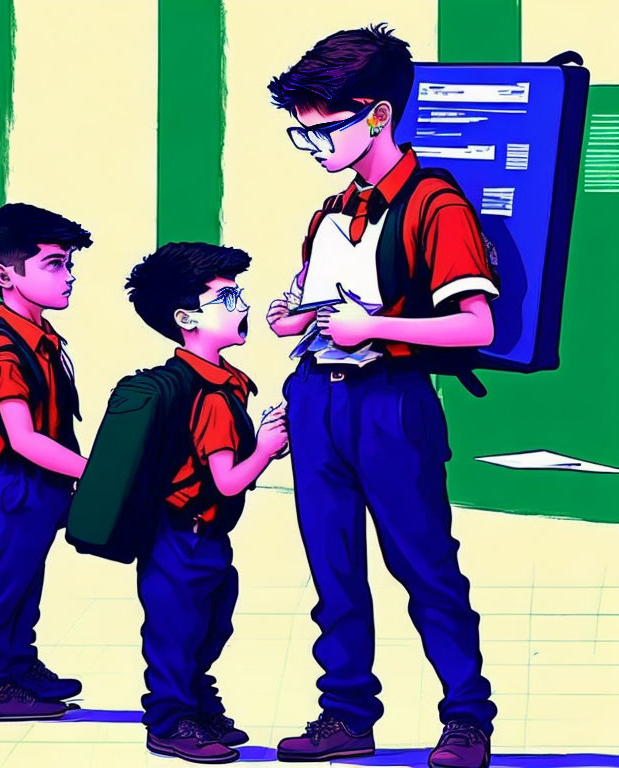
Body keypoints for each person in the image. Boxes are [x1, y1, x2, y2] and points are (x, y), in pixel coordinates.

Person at [265, 25, 498, 768]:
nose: (315, 147)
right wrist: (288, 315)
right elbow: (305, 299)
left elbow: (475, 325)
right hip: (315, 400)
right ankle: (345, 715)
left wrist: (376, 324)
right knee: (332, 568)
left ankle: (466, 719)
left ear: (377, 114)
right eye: (302, 135)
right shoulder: (331, 209)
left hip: (392, 401)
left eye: (325, 130)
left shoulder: (437, 205)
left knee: (425, 565)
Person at [125, 242, 289, 764]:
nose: (243, 307)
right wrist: (265, 448)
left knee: (210, 622)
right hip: (184, 536)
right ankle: (172, 720)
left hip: (204, 537)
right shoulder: (212, 396)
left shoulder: (226, 384)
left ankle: (194, 701)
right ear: (186, 318)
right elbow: (226, 481)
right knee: (178, 630)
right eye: (229, 297)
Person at [0, 203, 92, 721]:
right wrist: (96, 473)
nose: (69, 276)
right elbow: (23, 438)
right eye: (55, 264)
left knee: (25, 580)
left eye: (68, 264)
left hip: (42, 484)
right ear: (5, 276)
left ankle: (17, 662)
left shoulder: (42, 340)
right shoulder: (2, 350)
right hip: (15, 484)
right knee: (3, 583)